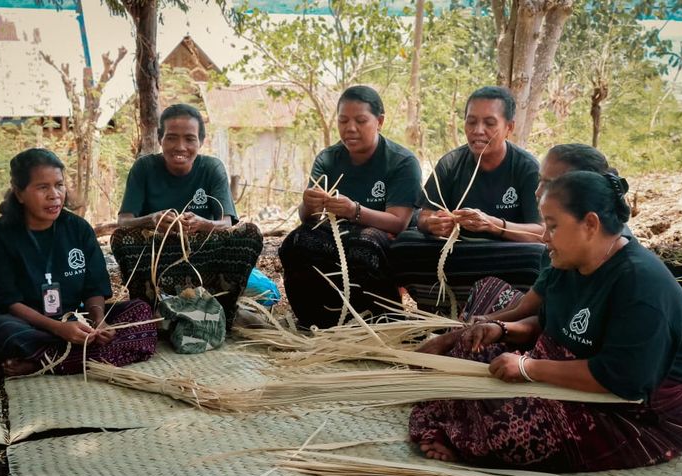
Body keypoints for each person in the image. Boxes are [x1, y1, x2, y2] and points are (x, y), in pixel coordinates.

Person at [410, 171, 682, 472]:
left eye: (552, 226)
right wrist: (501, 330)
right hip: (573, 369)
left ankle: (469, 441)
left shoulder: (641, 287)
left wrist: (528, 368)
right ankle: (468, 430)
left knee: (517, 430)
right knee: (468, 353)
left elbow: (621, 379)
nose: (545, 236)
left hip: (636, 414)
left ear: (590, 224)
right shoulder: (569, 261)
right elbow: (547, 322)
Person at [0, 148, 157, 376]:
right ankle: (76, 357)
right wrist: (58, 329)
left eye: (59, 185)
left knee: (140, 313)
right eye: (42, 187)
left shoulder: (78, 229)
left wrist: (98, 321)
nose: (54, 195)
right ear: (19, 193)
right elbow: (6, 301)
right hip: (25, 324)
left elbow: (93, 285)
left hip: (74, 319)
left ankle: (42, 362)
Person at [391, 86, 544, 313]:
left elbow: (540, 232)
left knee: (536, 257)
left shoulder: (526, 168)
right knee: (404, 244)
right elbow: (422, 215)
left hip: (503, 252)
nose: (478, 130)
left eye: (489, 123)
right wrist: (433, 223)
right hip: (459, 251)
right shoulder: (451, 163)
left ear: (509, 127)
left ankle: (504, 313)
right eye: (471, 122)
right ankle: (435, 314)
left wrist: (493, 225)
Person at [279, 85, 421, 329]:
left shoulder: (402, 161)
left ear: (380, 121)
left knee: (363, 246)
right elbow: (307, 217)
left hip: (383, 237)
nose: (350, 128)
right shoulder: (327, 158)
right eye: (343, 120)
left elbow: (399, 222)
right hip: (334, 233)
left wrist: (354, 211)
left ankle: (383, 321)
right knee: (295, 243)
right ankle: (316, 320)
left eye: (360, 120)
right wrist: (308, 204)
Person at [110, 104, 263, 327]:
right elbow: (123, 221)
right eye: (171, 138)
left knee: (249, 233)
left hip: (202, 259)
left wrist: (203, 224)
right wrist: (152, 220)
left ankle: (222, 309)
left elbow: (227, 222)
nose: (180, 147)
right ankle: (151, 312)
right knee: (122, 238)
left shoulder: (212, 168)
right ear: (160, 138)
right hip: (158, 259)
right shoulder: (144, 168)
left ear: (200, 141)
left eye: (189, 139)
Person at [462, 143, 632, 324]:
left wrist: (498, 327)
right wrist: (485, 322)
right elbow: (532, 304)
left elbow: (550, 321)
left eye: (551, 184)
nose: (538, 192)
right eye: (540, 180)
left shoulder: (615, 261)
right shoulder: (563, 243)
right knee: (487, 289)